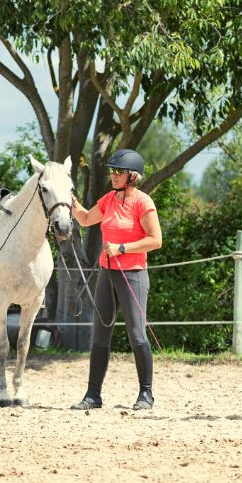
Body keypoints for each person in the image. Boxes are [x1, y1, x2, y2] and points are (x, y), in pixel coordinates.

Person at [69, 149, 163, 411]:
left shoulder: (143, 202)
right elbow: (87, 219)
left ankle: (146, 394)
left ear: (132, 176)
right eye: (111, 171)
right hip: (106, 272)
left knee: (136, 334)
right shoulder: (109, 199)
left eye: (118, 171)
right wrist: (72, 204)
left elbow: (156, 240)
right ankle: (93, 395)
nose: (113, 175)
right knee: (100, 335)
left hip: (132, 274)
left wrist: (123, 248)